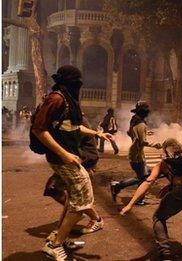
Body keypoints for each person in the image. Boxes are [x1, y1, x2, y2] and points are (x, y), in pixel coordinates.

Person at [31, 65, 112, 260]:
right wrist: (64, 154)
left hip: (69, 157)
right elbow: (39, 129)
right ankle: (55, 245)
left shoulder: (66, 100)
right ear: (70, 82)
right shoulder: (56, 99)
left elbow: (74, 128)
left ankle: (60, 237)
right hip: (63, 159)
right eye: (77, 82)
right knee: (82, 202)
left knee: (74, 200)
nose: (80, 86)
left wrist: (97, 133)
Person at [120, 138, 182, 260]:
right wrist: (171, 185)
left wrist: (130, 204)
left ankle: (165, 253)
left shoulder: (164, 163)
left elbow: (148, 182)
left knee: (158, 217)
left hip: (181, 192)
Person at [43, 114, 101, 248]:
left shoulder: (77, 120)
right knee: (67, 197)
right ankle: (89, 217)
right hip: (73, 162)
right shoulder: (64, 120)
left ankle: (61, 237)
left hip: (83, 162)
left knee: (69, 198)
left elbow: (88, 149)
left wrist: (86, 167)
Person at [110, 101, 157, 205]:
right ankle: (118, 186)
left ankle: (139, 198)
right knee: (143, 178)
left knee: (142, 177)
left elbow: (131, 133)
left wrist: (145, 133)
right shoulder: (141, 124)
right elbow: (142, 142)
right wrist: (156, 145)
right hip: (137, 155)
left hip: (135, 153)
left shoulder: (134, 121)